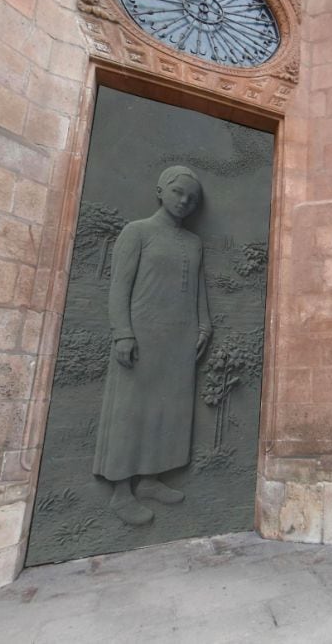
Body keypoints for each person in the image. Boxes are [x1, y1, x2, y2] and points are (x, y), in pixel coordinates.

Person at [92, 165, 211, 525]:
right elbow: (119, 289)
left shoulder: (194, 243)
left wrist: (204, 323)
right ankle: (120, 492)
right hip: (141, 338)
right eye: (178, 193)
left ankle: (151, 480)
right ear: (160, 191)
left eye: (191, 198)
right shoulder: (137, 233)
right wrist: (122, 333)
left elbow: (199, 289)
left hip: (180, 339)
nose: (184, 201)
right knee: (132, 411)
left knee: (168, 412)